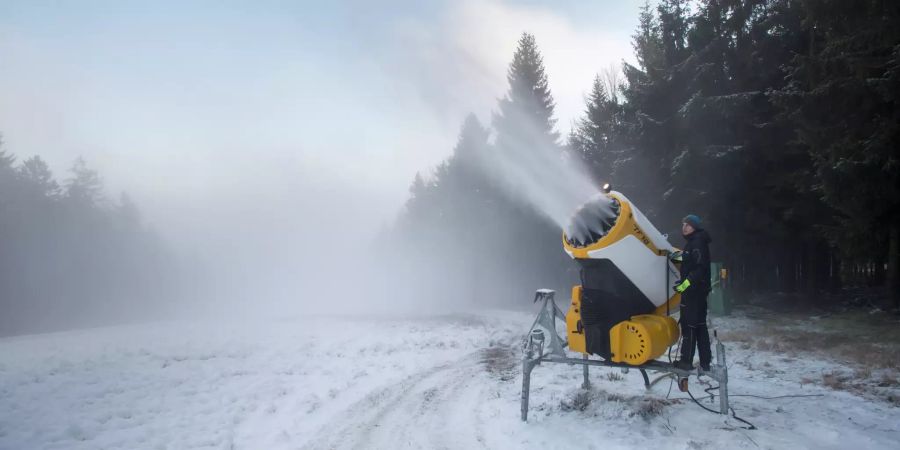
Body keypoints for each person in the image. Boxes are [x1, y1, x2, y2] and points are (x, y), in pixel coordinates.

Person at [672, 214, 712, 371]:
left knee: (689, 326)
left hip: (693, 294)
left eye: (688, 225)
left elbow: (698, 270)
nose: (684, 227)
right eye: (683, 224)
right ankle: (705, 362)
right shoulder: (695, 242)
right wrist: (669, 255)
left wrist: (683, 286)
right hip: (698, 292)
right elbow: (688, 259)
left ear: (695, 227)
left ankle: (686, 361)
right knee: (700, 326)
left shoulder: (696, 243)